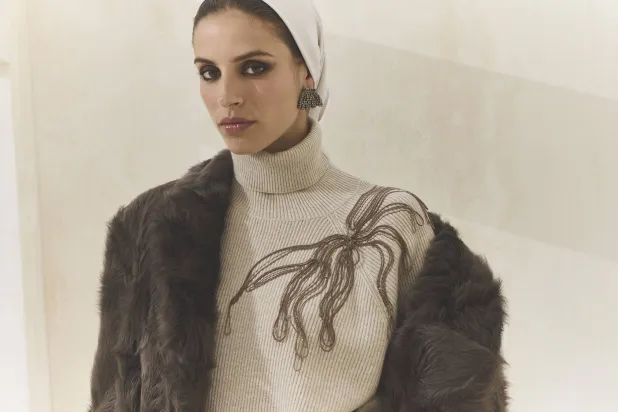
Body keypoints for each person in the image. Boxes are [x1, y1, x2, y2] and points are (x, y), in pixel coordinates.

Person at [88, 0, 508, 411]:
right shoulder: (153, 224)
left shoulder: (392, 223)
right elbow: (116, 397)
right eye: (209, 73)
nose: (227, 96)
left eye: (254, 68)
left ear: (306, 72)